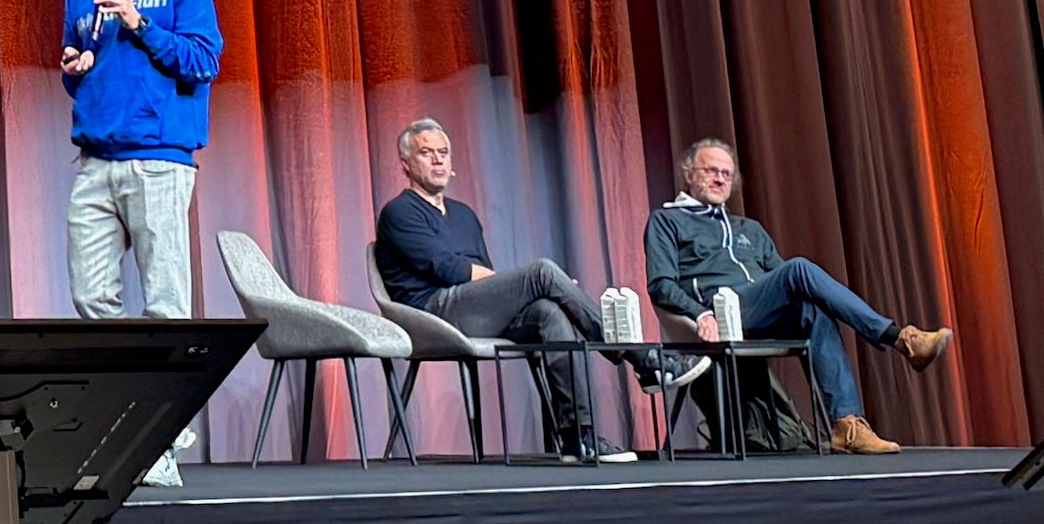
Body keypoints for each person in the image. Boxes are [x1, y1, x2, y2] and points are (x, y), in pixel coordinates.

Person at [374, 118, 704, 463]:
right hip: (431, 312)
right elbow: (449, 270)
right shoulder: (399, 212)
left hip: (470, 309)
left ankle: (579, 437)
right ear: (406, 164)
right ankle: (644, 359)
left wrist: (551, 291)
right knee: (543, 273)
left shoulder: (463, 215)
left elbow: (485, 274)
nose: (438, 160)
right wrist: (538, 283)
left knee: (550, 309)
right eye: (427, 153)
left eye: (443, 152)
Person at [60, 0, 222, 487]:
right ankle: (127, 423)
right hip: (95, 161)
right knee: (92, 298)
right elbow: (83, 70)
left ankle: (163, 437)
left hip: (159, 158)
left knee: (163, 302)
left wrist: (139, 22)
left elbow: (205, 59)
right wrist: (75, 68)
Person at [644, 136, 950, 456]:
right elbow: (661, 284)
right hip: (718, 311)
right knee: (799, 269)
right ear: (689, 174)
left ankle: (848, 426)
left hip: (757, 314)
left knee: (812, 309)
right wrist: (700, 314)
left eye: (727, 173)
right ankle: (900, 337)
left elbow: (785, 282)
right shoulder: (667, 221)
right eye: (710, 170)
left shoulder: (750, 228)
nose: (720, 178)